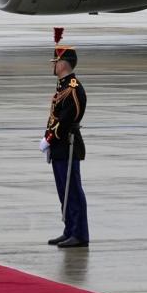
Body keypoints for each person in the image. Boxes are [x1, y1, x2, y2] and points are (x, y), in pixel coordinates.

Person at [41, 27, 88, 248]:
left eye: (55, 61)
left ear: (63, 63)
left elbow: (69, 118)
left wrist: (50, 138)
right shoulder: (62, 87)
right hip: (59, 146)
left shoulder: (73, 88)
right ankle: (69, 229)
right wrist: (48, 138)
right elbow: (54, 116)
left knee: (73, 191)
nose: (52, 65)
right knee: (64, 191)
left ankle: (79, 233)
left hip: (68, 144)